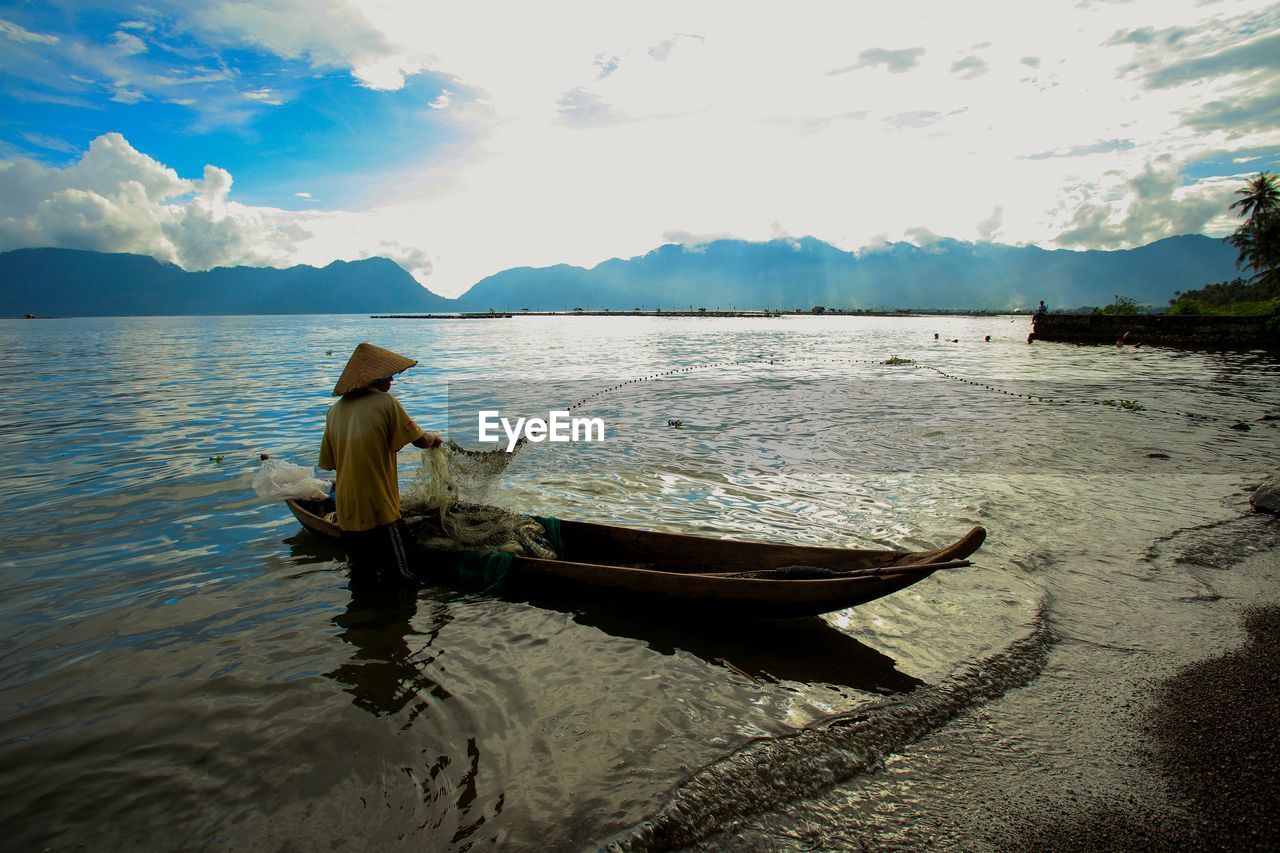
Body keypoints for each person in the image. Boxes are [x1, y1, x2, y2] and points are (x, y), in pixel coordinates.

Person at [319, 342, 442, 584]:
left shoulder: (334, 412)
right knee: (404, 576)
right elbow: (420, 440)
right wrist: (434, 439)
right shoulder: (386, 403)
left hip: (347, 511)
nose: (392, 381)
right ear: (375, 378)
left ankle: (364, 617)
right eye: (389, 376)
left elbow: (330, 462)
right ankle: (399, 618)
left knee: (360, 578)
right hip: (379, 508)